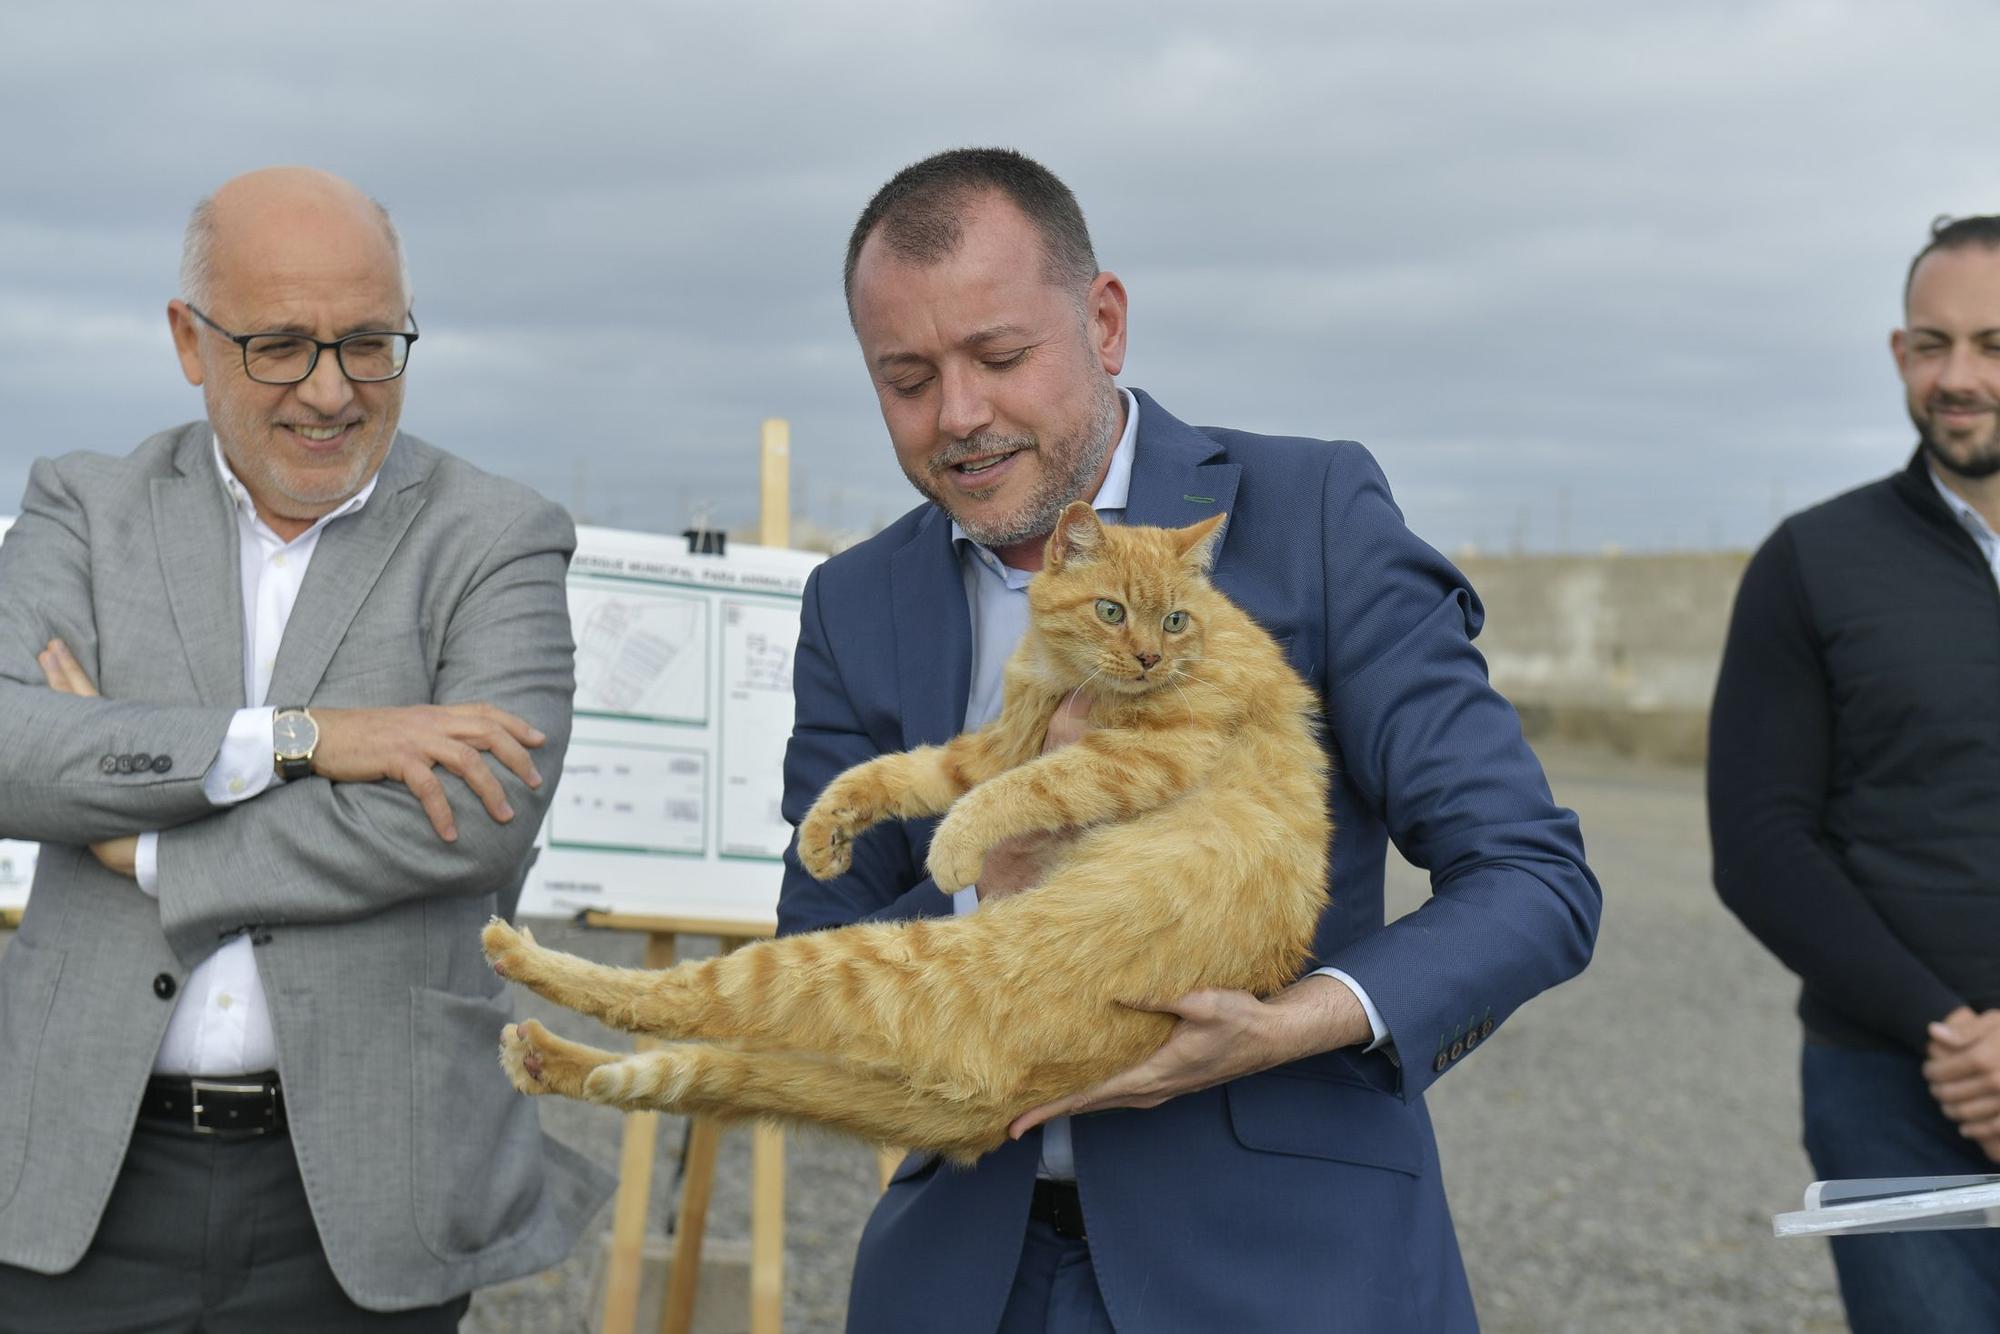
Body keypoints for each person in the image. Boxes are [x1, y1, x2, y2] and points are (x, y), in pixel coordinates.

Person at [777, 147, 1602, 1333]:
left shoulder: (1313, 515)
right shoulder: (854, 603)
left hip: (1290, 1274)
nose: (957, 414)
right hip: (964, 1282)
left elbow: (1533, 879)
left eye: (1000, 357)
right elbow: (811, 961)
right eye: (905, 377)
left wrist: (1284, 1025)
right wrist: (988, 892)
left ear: (1103, 322)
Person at [0, 167, 611, 1330]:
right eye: (280, 344)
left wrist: (146, 847)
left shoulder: (495, 537)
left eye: (369, 343)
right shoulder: (84, 505)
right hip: (74, 1170)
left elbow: (480, 810)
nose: (331, 390)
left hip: (368, 1196)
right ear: (190, 339)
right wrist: (307, 741)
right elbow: (12, 749)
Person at [1709, 214, 2000, 1331]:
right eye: (1930, 345)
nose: (1958, 376)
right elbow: (1760, 843)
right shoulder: (1811, 562)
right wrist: (1950, 1032)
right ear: (1896, 355)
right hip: (1876, 1088)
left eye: (1991, 342)